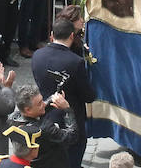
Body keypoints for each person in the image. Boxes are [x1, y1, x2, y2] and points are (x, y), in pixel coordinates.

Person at [31, 18, 95, 167]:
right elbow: (88, 95)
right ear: (72, 36)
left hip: (45, 116)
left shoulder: (37, 55)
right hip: (70, 118)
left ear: (52, 35)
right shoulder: (75, 62)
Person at [8, 83, 78, 168]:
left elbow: (36, 112)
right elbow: (71, 136)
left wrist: (53, 99)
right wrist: (67, 110)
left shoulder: (13, 118)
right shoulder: (45, 128)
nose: (44, 104)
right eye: (40, 103)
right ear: (28, 110)